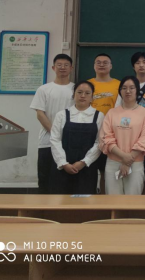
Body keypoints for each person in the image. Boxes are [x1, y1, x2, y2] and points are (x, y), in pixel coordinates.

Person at [116, 52, 145, 195]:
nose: (141, 65)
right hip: (126, 133)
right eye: (137, 63)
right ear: (133, 66)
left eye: (144, 62)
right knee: (124, 170)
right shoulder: (126, 84)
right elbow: (118, 110)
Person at [30, 54, 75, 194]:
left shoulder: (77, 89)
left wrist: (64, 135)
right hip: (47, 142)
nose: (62, 67)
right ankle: (44, 207)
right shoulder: (44, 89)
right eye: (59, 65)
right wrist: (55, 133)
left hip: (70, 141)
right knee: (45, 179)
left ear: (71, 68)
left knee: (66, 181)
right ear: (53, 68)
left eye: (66, 65)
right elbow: (40, 114)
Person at [49, 81, 103, 195]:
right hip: (63, 166)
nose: (83, 96)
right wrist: (63, 163)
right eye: (79, 92)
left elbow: (99, 142)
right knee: (61, 199)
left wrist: (84, 162)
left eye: (87, 93)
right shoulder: (61, 115)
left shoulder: (99, 116)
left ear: (92, 97)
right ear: (73, 95)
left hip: (87, 167)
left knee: (85, 200)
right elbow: (55, 140)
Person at [100, 76, 145, 195]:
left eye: (132, 88)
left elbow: (144, 138)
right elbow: (106, 137)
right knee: (113, 201)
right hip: (113, 163)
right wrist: (124, 157)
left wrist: (128, 161)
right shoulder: (112, 112)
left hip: (135, 163)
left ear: (137, 90)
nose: (128, 91)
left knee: (133, 201)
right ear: (120, 91)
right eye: (124, 88)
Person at [89, 53, 120, 193]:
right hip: (90, 132)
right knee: (89, 168)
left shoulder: (119, 85)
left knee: (105, 171)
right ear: (94, 65)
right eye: (98, 62)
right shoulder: (87, 85)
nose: (101, 65)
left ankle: (104, 199)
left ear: (111, 66)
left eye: (105, 62)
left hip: (111, 134)